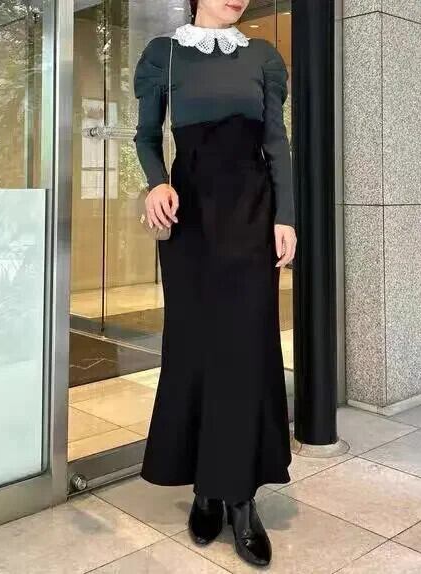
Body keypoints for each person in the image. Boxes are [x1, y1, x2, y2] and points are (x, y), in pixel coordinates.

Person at [133, 0, 297, 567]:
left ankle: (242, 499)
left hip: (252, 218)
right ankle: (205, 490)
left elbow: (277, 143)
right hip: (190, 223)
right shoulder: (164, 55)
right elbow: (146, 137)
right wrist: (156, 183)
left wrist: (286, 217)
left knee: (247, 351)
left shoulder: (263, 57)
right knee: (195, 348)